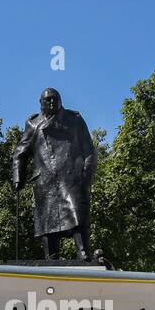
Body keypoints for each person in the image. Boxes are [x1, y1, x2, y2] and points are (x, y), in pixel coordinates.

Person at [12, 88, 96, 260]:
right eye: (47, 99)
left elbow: (89, 150)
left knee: (77, 215)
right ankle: (51, 257)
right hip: (45, 181)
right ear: (40, 103)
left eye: (54, 99)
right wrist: (17, 177)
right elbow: (20, 153)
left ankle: (83, 253)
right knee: (47, 221)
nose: (51, 102)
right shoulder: (33, 124)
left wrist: (85, 174)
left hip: (72, 177)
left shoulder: (75, 120)